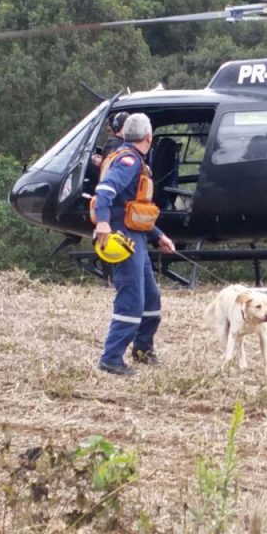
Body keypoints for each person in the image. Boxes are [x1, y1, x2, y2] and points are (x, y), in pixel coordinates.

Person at [92, 113, 176, 376]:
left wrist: (158, 235)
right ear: (149, 137)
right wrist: (103, 223)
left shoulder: (132, 158)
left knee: (151, 297)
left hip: (137, 234)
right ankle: (111, 357)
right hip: (122, 236)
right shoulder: (129, 160)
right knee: (131, 299)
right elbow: (105, 191)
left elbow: (133, 208)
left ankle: (142, 349)